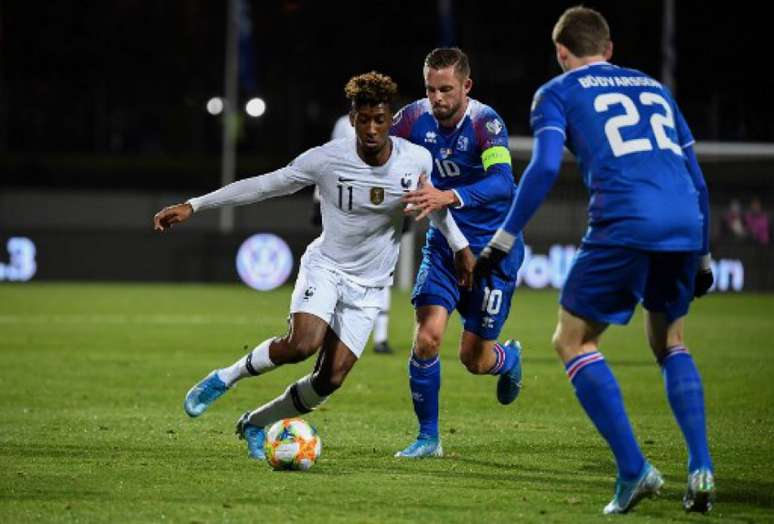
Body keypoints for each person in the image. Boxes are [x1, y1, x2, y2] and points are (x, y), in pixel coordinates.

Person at [153, 71, 474, 460]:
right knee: (302, 344)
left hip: (370, 286)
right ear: (351, 118)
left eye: (380, 120)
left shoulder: (416, 159)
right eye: (363, 119)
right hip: (326, 268)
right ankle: (224, 378)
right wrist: (195, 204)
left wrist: (460, 246)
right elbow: (264, 185)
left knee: (329, 379)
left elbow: (433, 206)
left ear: (391, 120)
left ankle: (255, 422)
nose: (371, 129)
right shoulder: (326, 159)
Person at [475, 6, 715, 514]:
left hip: (625, 220)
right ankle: (702, 468)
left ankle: (634, 471)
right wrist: (706, 249)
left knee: (572, 339)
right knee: (670, 340)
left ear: (562, 53)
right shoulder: (655, 88)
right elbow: (695, 173)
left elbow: (541, 168)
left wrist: (504, 236)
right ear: (609, 50)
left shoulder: (557, 93)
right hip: (685, 222)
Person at [390, 47, 526, 458]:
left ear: (466, 86)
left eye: (446, 89)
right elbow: (383, 160)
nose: (437, 98)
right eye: (430, 89)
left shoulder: (486, 123)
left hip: (493, 253)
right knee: (428, 337)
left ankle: (507, 358)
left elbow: (504, 183)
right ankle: (428, 438)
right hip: (445, 245)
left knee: (473, 358)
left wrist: (447, 195)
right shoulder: (411, 119)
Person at [313, 112, 398, 354]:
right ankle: (332, 329)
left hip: (381, 212)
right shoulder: (343, 124)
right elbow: (327, 162)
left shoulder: (396, 122)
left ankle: (380, 337)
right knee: (337, 271)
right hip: (345, 214)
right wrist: (318, 197)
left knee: (381, 271)